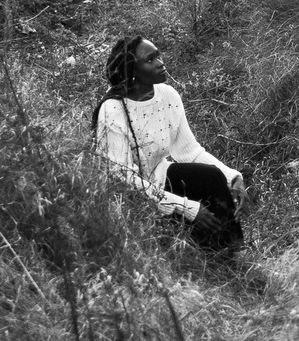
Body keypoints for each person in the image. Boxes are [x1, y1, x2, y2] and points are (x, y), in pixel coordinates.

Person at [92, 35, 244, 250]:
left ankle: (231, 250)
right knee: (193, 213)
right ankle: (207, 252)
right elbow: (122, 179)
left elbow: (190, 151)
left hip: (159, 177)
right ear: (132, 71)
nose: (160, 63)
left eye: (158, 56)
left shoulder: (167, 95)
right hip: (130, 195)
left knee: (212, 177)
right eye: (150, 60)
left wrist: (233, 177)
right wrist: (186, 207)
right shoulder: (113, 110)